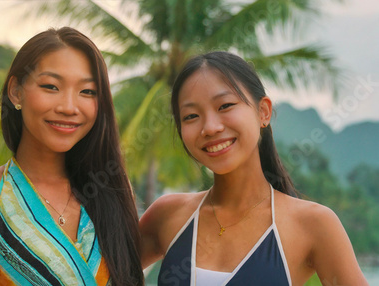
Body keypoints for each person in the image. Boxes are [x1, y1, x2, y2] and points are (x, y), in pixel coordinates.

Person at [0, 27, 144, 286]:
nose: (68, 107)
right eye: (51, 86)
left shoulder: (113, 191)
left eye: (87, 91)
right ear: (16, 91)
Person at [139, 51, 368, 285]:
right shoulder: (167, 216)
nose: (210, 127)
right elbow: (103, 273)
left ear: (263, 112)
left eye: (225, 105)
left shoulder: (312, 224)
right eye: (191, 116)